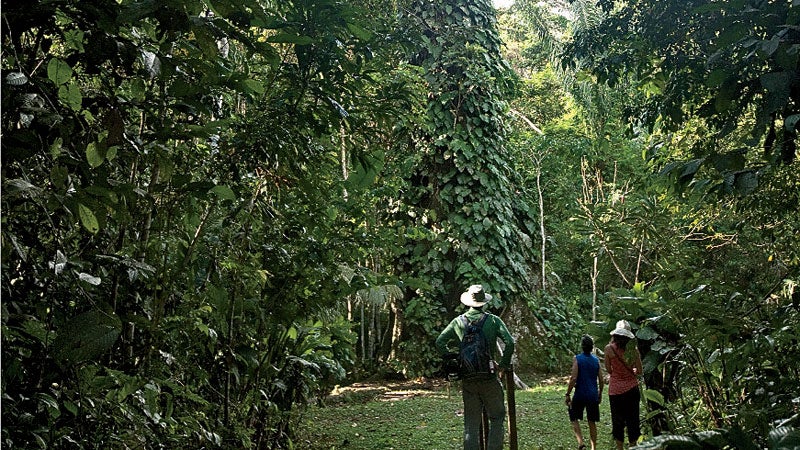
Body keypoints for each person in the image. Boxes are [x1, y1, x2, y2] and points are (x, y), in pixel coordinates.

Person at [436, 284, 515, 450]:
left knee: (471, 424)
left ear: (467, 302)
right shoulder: (493, 321)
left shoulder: (458, 322)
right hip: (489, 377)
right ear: (483, 302)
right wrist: (502, 365)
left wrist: (453, 359)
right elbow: (509, 342)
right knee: (497, 417)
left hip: (468, 378)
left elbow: (440, 342)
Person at [604, 320, 643, 449]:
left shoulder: (608, 349)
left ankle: (619, 447)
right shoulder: (633, 350)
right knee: (633, 420)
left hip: (615, 391)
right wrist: (632, 371)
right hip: (632, 389)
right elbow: (640, 371)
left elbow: (609, 370)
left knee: (618, 421)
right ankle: (633, 446)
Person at [565, 335, 604, 450]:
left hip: (580, 394)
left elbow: (573, 378)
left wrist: (568, 394)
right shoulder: (596, 361)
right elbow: (601, 380)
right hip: (592, 395)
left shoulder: (577, 358)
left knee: (573, 416)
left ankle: (581, 442)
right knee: (592, 421)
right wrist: (600, 393)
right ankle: (593, 447)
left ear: (582, 347)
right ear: (592, 347)